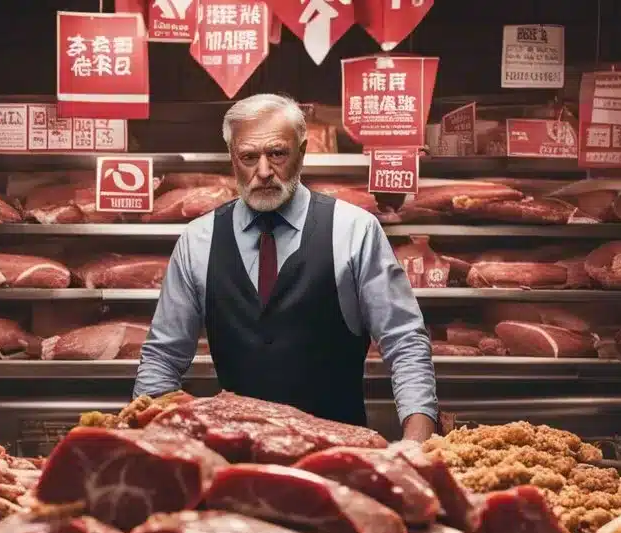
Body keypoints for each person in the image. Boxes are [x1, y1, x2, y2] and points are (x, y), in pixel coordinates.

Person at [133, 93, 438, 441]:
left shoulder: (353, 229)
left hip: (340, 462)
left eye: (277, 154)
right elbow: (163, 357)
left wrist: (416, 442)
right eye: (249, 157)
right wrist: (147, 440)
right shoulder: (197, 240)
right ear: (233, 159)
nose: (263, 172)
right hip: (237, 463)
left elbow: (405, 342)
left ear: (302, 152)